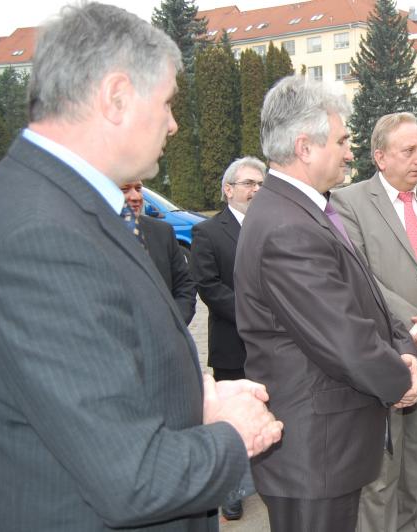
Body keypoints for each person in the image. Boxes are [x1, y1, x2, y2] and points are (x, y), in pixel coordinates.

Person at [0, 4, 283, 530]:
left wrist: (197, 399)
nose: (173, 123)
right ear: (116, 96)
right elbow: (130, 476)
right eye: (167, 102)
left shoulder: (66, 205)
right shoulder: (42, 234)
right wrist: (233, 434)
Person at [234, 76, 417, 532]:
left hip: (323, 449)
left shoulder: (304, 210)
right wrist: (401, 378)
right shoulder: (287, 226)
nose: (349, 152)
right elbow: (344, 337)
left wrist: (405, 348)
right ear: (305, 147)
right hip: (315, 454)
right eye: (341, 140)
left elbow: (365, 298)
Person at [331, 112, 417, 532]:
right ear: (380, 157)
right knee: (380, 477)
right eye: (409, 150)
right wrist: (414, 328)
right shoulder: (348, 202)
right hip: (386, 357)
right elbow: (359, 277)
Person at [190, 156, 265, 520]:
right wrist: (255, 317)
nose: (256, 190)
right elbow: (208, 286)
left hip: (276, 343)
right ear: (228, 189)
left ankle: (270, 476)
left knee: (270, 410)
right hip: (233, 343)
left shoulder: (273, 224)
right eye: (249, 183)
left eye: (261, 184)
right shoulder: (208, 232)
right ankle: (232, 489)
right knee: (233, 421)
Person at [121, 179, 196, 325]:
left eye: (138, 188)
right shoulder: (90, 233)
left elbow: (185, 284)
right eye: (125, 189)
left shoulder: (162, 232)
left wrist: (174, 323)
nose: (136, 196)